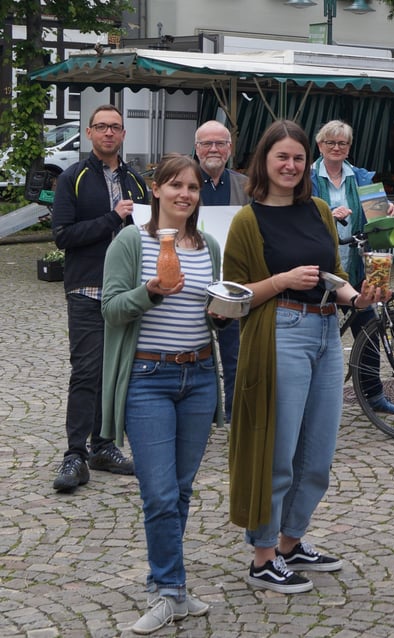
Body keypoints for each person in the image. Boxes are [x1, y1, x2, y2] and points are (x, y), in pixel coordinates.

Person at [223, 120, 382, 594]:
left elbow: (334, 274)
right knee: (279, 451)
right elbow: (232, 296)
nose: (290, 166)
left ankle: (291, 542)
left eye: (296, 158)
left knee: (317, 452)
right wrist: (281, 281)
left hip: (326, 331)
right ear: (264, 162)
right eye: (282, 157)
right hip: (280, 332)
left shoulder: (318, 210)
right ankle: (263, 556)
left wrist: (358, 298)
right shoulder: (247, 220)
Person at [101, 154, 225, 633]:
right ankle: (168, 590)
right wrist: (150, 292)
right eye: (175, 185)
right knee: (158, 492)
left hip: (198, 377)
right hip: (147, 377)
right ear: (156, 190)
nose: (184, 194)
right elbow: (111, 309)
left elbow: (212, 309)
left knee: (182, 489)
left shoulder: (209, 245)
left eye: (192, 187)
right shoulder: (132, 241)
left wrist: (222, 313)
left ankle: (170, 586)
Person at [50, 104, 146, 493]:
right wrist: (112, 217)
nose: (109, 133)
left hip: (126, 294)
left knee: (116, 372)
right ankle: (75, 454)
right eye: (101, 126)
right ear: (89, 133)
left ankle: (103, 446)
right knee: (87, 372)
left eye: (115, 127)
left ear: (123, 134)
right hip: (87, 289)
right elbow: (62, 236)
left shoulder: (136, 182)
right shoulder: (71, 178)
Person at [310, 119, 394, 415]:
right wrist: (327, 213)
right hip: (320, 270)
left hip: (356, 268)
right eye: (330, 142)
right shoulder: (308, 178)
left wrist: (387, 209)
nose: (336, 148)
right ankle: (312, 399)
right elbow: (300, 215)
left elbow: (377, 217)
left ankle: (373, 395)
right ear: (320, 145)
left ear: (349, 147)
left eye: (342, 143)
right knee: (317, 337)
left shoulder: (361, 177)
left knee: (369, 331)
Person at [195, 120, 249, 424]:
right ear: (197, 148)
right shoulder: (184, 180)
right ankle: (202, 413)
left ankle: (233, 414)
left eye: (220, 143)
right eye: (207, 144)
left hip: (231, 282)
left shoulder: (245, 186)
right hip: (192, 281)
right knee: (196, 350)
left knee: (234, 353)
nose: (213, 149)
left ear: (229, 148)